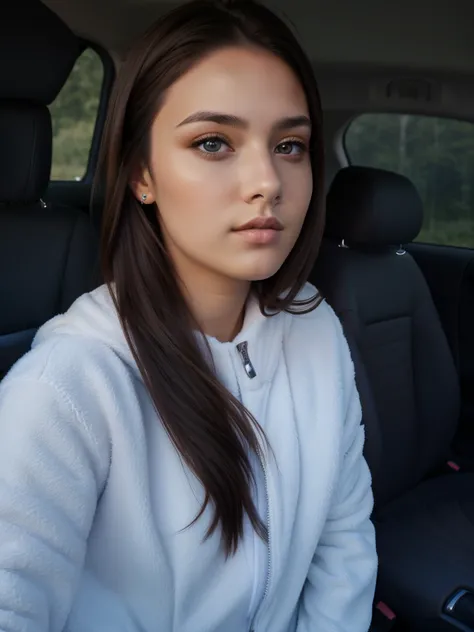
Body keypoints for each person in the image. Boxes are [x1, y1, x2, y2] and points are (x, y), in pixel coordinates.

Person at [0, 0, 377, 630]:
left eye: (289, 145)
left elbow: (343, 547)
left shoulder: (316, 327)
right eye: (212, 143)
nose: (267, 181)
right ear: (142, 172)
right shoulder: (63, 391)